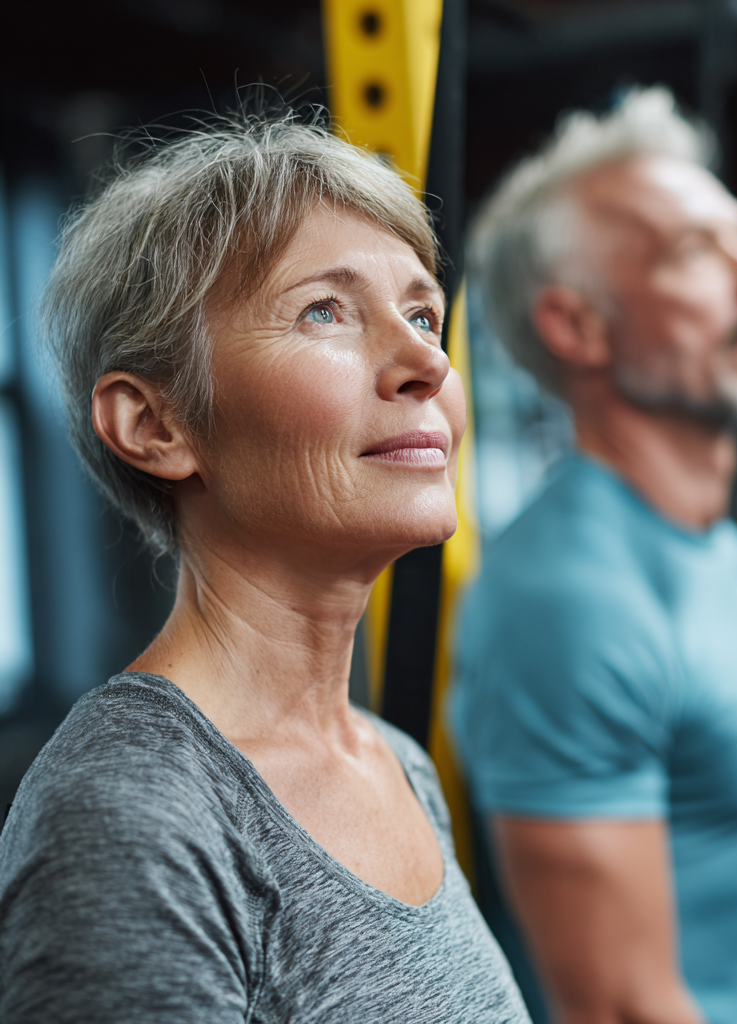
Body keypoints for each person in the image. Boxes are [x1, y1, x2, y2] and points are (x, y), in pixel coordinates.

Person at [0, 112, 530, 1024]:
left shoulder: (394, 763)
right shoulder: (134, 815)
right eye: (324, 311)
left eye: (422, 314)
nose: (426, 364)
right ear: (155, 426)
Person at [448, 88, 737, 1024]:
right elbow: (621, 1009)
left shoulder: (719, 552)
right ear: (579, 327)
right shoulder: (567, 601)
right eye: (698, 252)